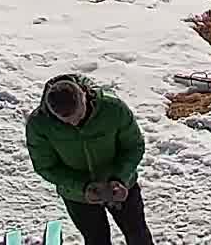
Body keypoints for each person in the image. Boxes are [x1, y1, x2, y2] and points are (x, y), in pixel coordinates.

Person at [27, 73, 151, 245]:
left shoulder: (113, 108)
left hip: (122, 186)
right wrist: (82, 187)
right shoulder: (39, 125)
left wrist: (120, 177)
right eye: (66, 122)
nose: (74, 124)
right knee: (96, 240)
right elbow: (46, 167)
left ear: (84, 96)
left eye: (78, 117)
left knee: (138, 235)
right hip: (78, 196)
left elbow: (133, 146)